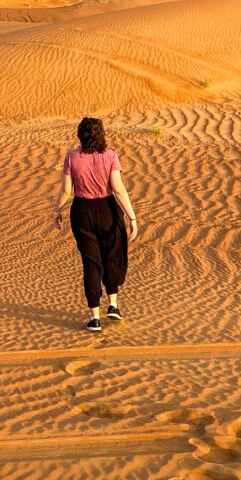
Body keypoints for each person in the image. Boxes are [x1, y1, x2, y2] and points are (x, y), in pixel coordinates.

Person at [53, 116, 138, 331]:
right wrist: (132, 217)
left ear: (80, 135)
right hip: (108, 209)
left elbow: (66, 190)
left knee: (91, 262)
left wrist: (56, 210)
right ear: (101, 135)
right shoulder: (110, 155)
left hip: (82, 212)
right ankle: (113, 305)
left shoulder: (72, 157)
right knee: (113, 255)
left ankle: (95, 318)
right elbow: (118, 189)